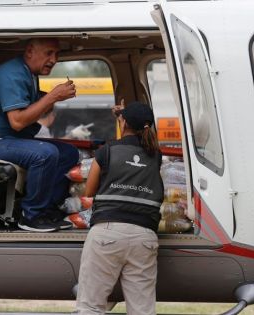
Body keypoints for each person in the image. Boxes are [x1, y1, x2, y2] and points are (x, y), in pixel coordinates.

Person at [0, 38, 80, 232]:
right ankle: (32, 216)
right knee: (45, 153)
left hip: (11, 141)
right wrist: (52, 96)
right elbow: (18, 121)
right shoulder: (12, 74)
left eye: (57, 54)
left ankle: (48, 210)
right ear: (30, 51)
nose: (54, 60)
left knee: (69, 153)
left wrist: (48, 98)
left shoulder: (28, 74)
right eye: (49, 53)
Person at [76, 101, 164, 315]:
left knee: (91, 307)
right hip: (145, 237)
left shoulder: (107, 151)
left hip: (108, 232)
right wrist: (123, 116)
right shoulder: (156, 155)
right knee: (142, 310)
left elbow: (89, 191)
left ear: (123, 123)